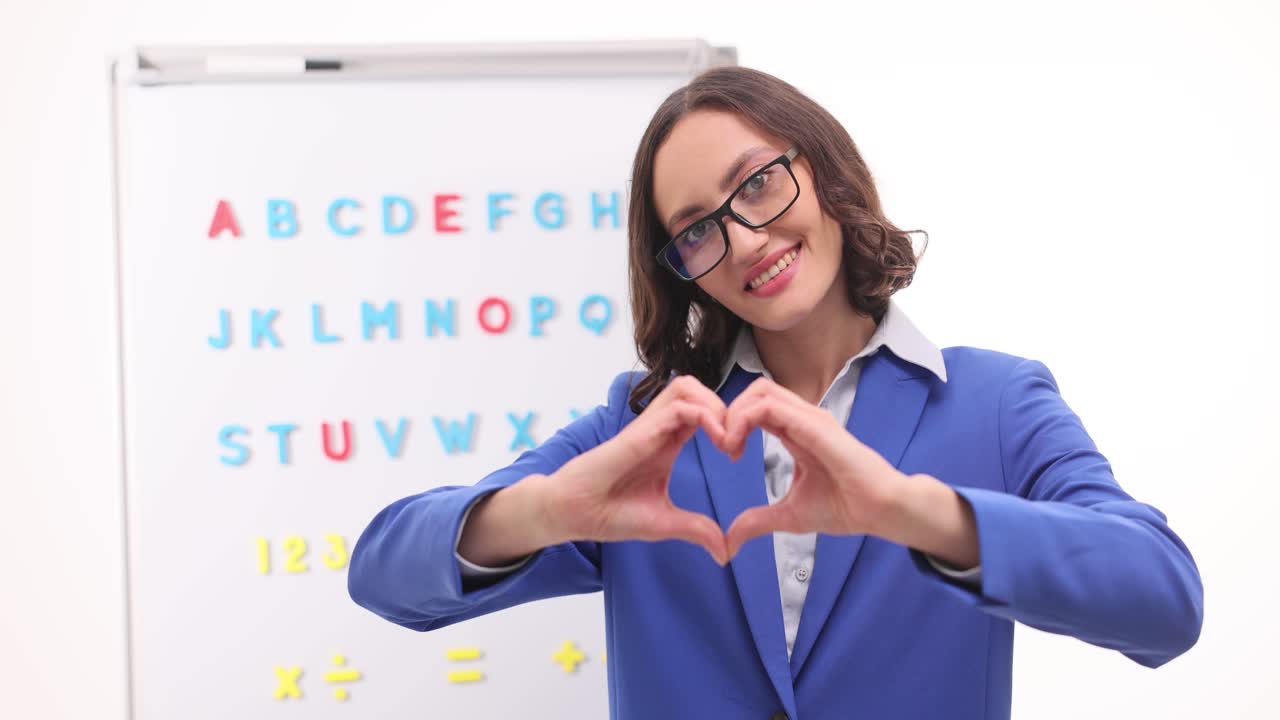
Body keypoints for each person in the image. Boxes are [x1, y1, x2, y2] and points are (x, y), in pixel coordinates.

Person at [347, 66, 1203, 720]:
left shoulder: (996, 402)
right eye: (697, 230)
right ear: (683, 272)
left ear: (824, 172)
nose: (747, 238)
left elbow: (1164, 602)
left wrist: (913, 513)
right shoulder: (645, 429)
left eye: (757, 183)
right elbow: (384, 573)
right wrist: (541, 512)